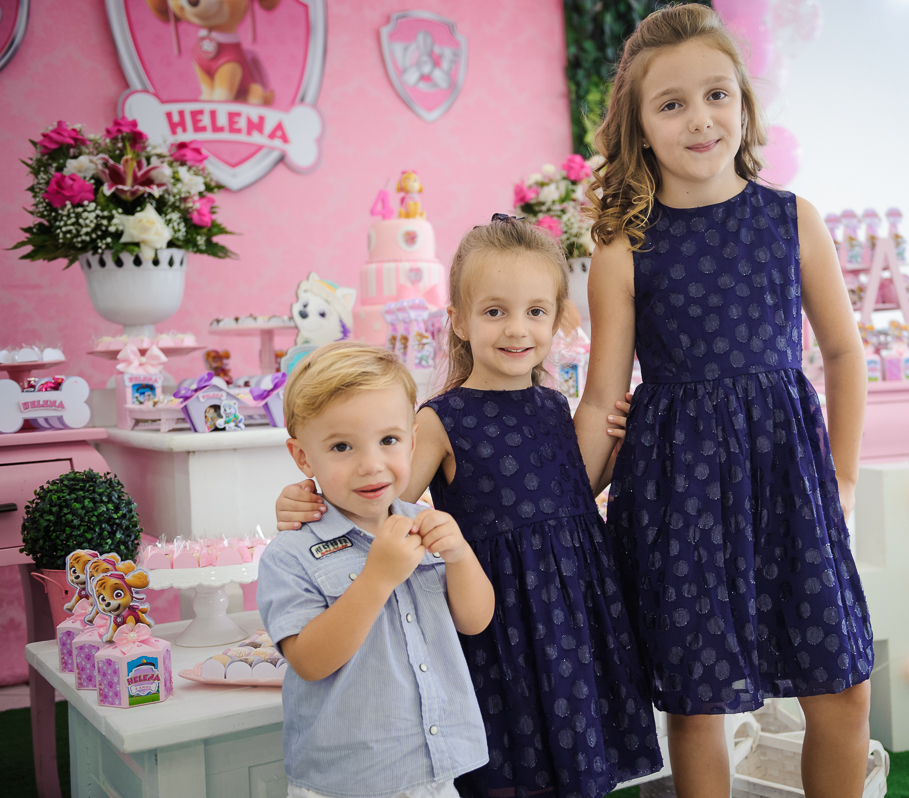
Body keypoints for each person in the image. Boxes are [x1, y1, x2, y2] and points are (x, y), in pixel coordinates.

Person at [572, 5, 875, 798]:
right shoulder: (622, 245)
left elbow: (843, 352)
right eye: (671, 105)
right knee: (698, 704)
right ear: (639, 127)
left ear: (743, 103)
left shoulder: (791, 220)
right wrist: (561, 504)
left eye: (716, 95)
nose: (700, 120)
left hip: (790, 482)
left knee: (842, 687)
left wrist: (842, 479)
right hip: (679, 493)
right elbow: (604, 392)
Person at [275, 217, 662, 798]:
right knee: (516, 764)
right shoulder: (440, 418)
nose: (517, 329)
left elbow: (569, 498)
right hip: (499, 617)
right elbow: (378, 499)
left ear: (558, 319)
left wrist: (619, 451)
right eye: (494, 311)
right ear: (457, 319)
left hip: (578, 607)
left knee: (581, 756)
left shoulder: (556, 405)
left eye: (536, 312)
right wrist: (301, 500)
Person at [258, 341, 495, 798]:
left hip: (435, 768)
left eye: (388, 440)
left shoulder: (424, 524)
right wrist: (377, 578)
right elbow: (309, 661)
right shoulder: (291, 554)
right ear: (304, 457)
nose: (371, 465)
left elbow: (475, 619)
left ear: (411, 438)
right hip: (350, 780)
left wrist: (461, 555)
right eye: (342, 446)